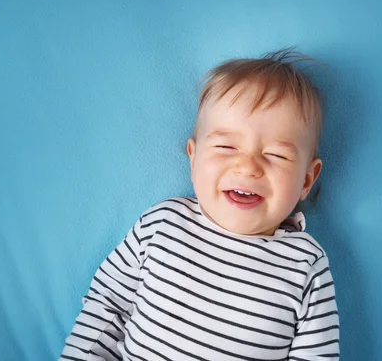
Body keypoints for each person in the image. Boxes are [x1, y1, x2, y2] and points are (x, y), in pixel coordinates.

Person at [59, 49, 340, 360]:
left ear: (306, 180)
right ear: (193, 158)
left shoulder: (305, 265)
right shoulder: (162, 225)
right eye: (226, 146)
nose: (247, 167)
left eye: (276, 154)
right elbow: (107, 305)